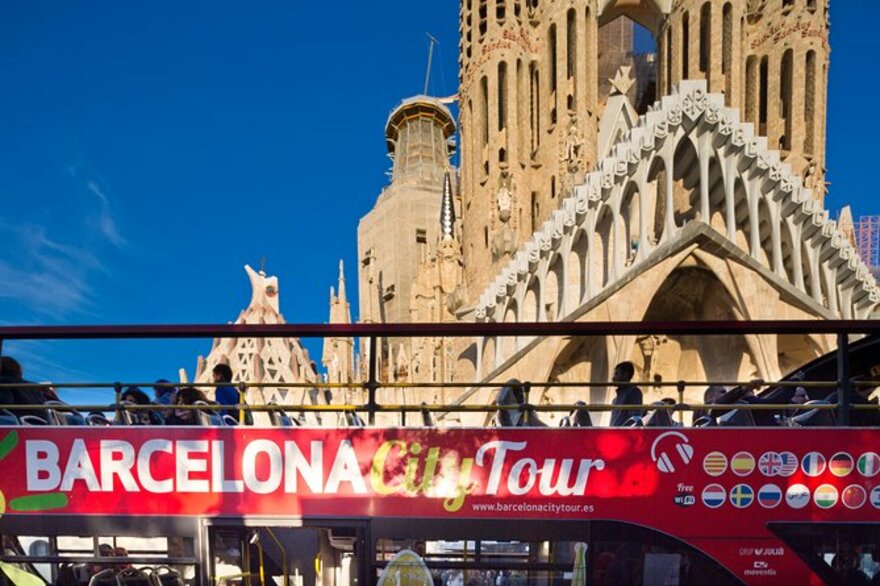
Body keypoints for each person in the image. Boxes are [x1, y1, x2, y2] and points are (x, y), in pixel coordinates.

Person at [609, 361, 645, 427]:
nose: (613, 378)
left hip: (624, 435)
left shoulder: (633, 392)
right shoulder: (615, 399)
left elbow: (635, 418)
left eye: (617, 374)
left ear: (626, 374)